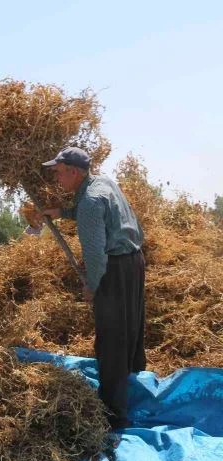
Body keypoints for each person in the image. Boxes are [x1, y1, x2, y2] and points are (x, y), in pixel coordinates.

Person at [40, 147, 145, 430]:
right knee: (130, 327)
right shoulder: (105, 183)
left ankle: (113, 414)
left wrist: (93, 286)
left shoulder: (88, 201)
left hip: (114, 268)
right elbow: (101, 213)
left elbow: (95, 255)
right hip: (135, 260)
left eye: (59, 173)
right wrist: (63, 212)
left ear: (74, 172)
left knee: (111, 339)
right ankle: (133, 384)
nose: (57, 180)